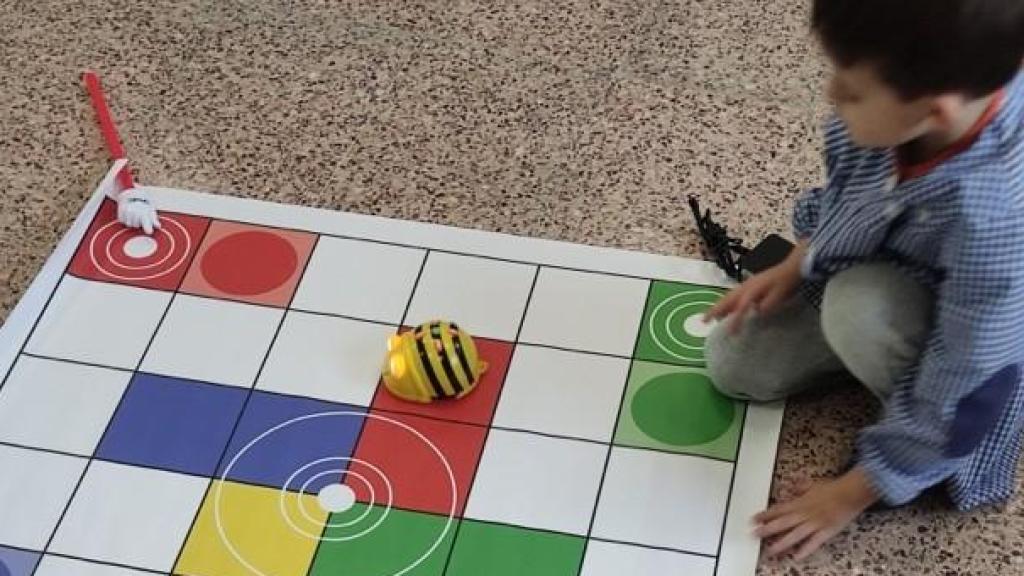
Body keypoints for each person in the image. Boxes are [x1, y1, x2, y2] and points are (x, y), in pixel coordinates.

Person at [704, 0, 1024, 561]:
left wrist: (855, 492)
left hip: (981, 357)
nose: (831, 95)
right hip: (884, 266)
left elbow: (972, 384)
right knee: (736, 366)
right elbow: (847, 196)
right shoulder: (907, 112)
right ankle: (882, 369)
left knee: (857, 309)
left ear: (935, 112)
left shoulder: (994, 222)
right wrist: (798, 262)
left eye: (851, 89)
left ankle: (911, 455)